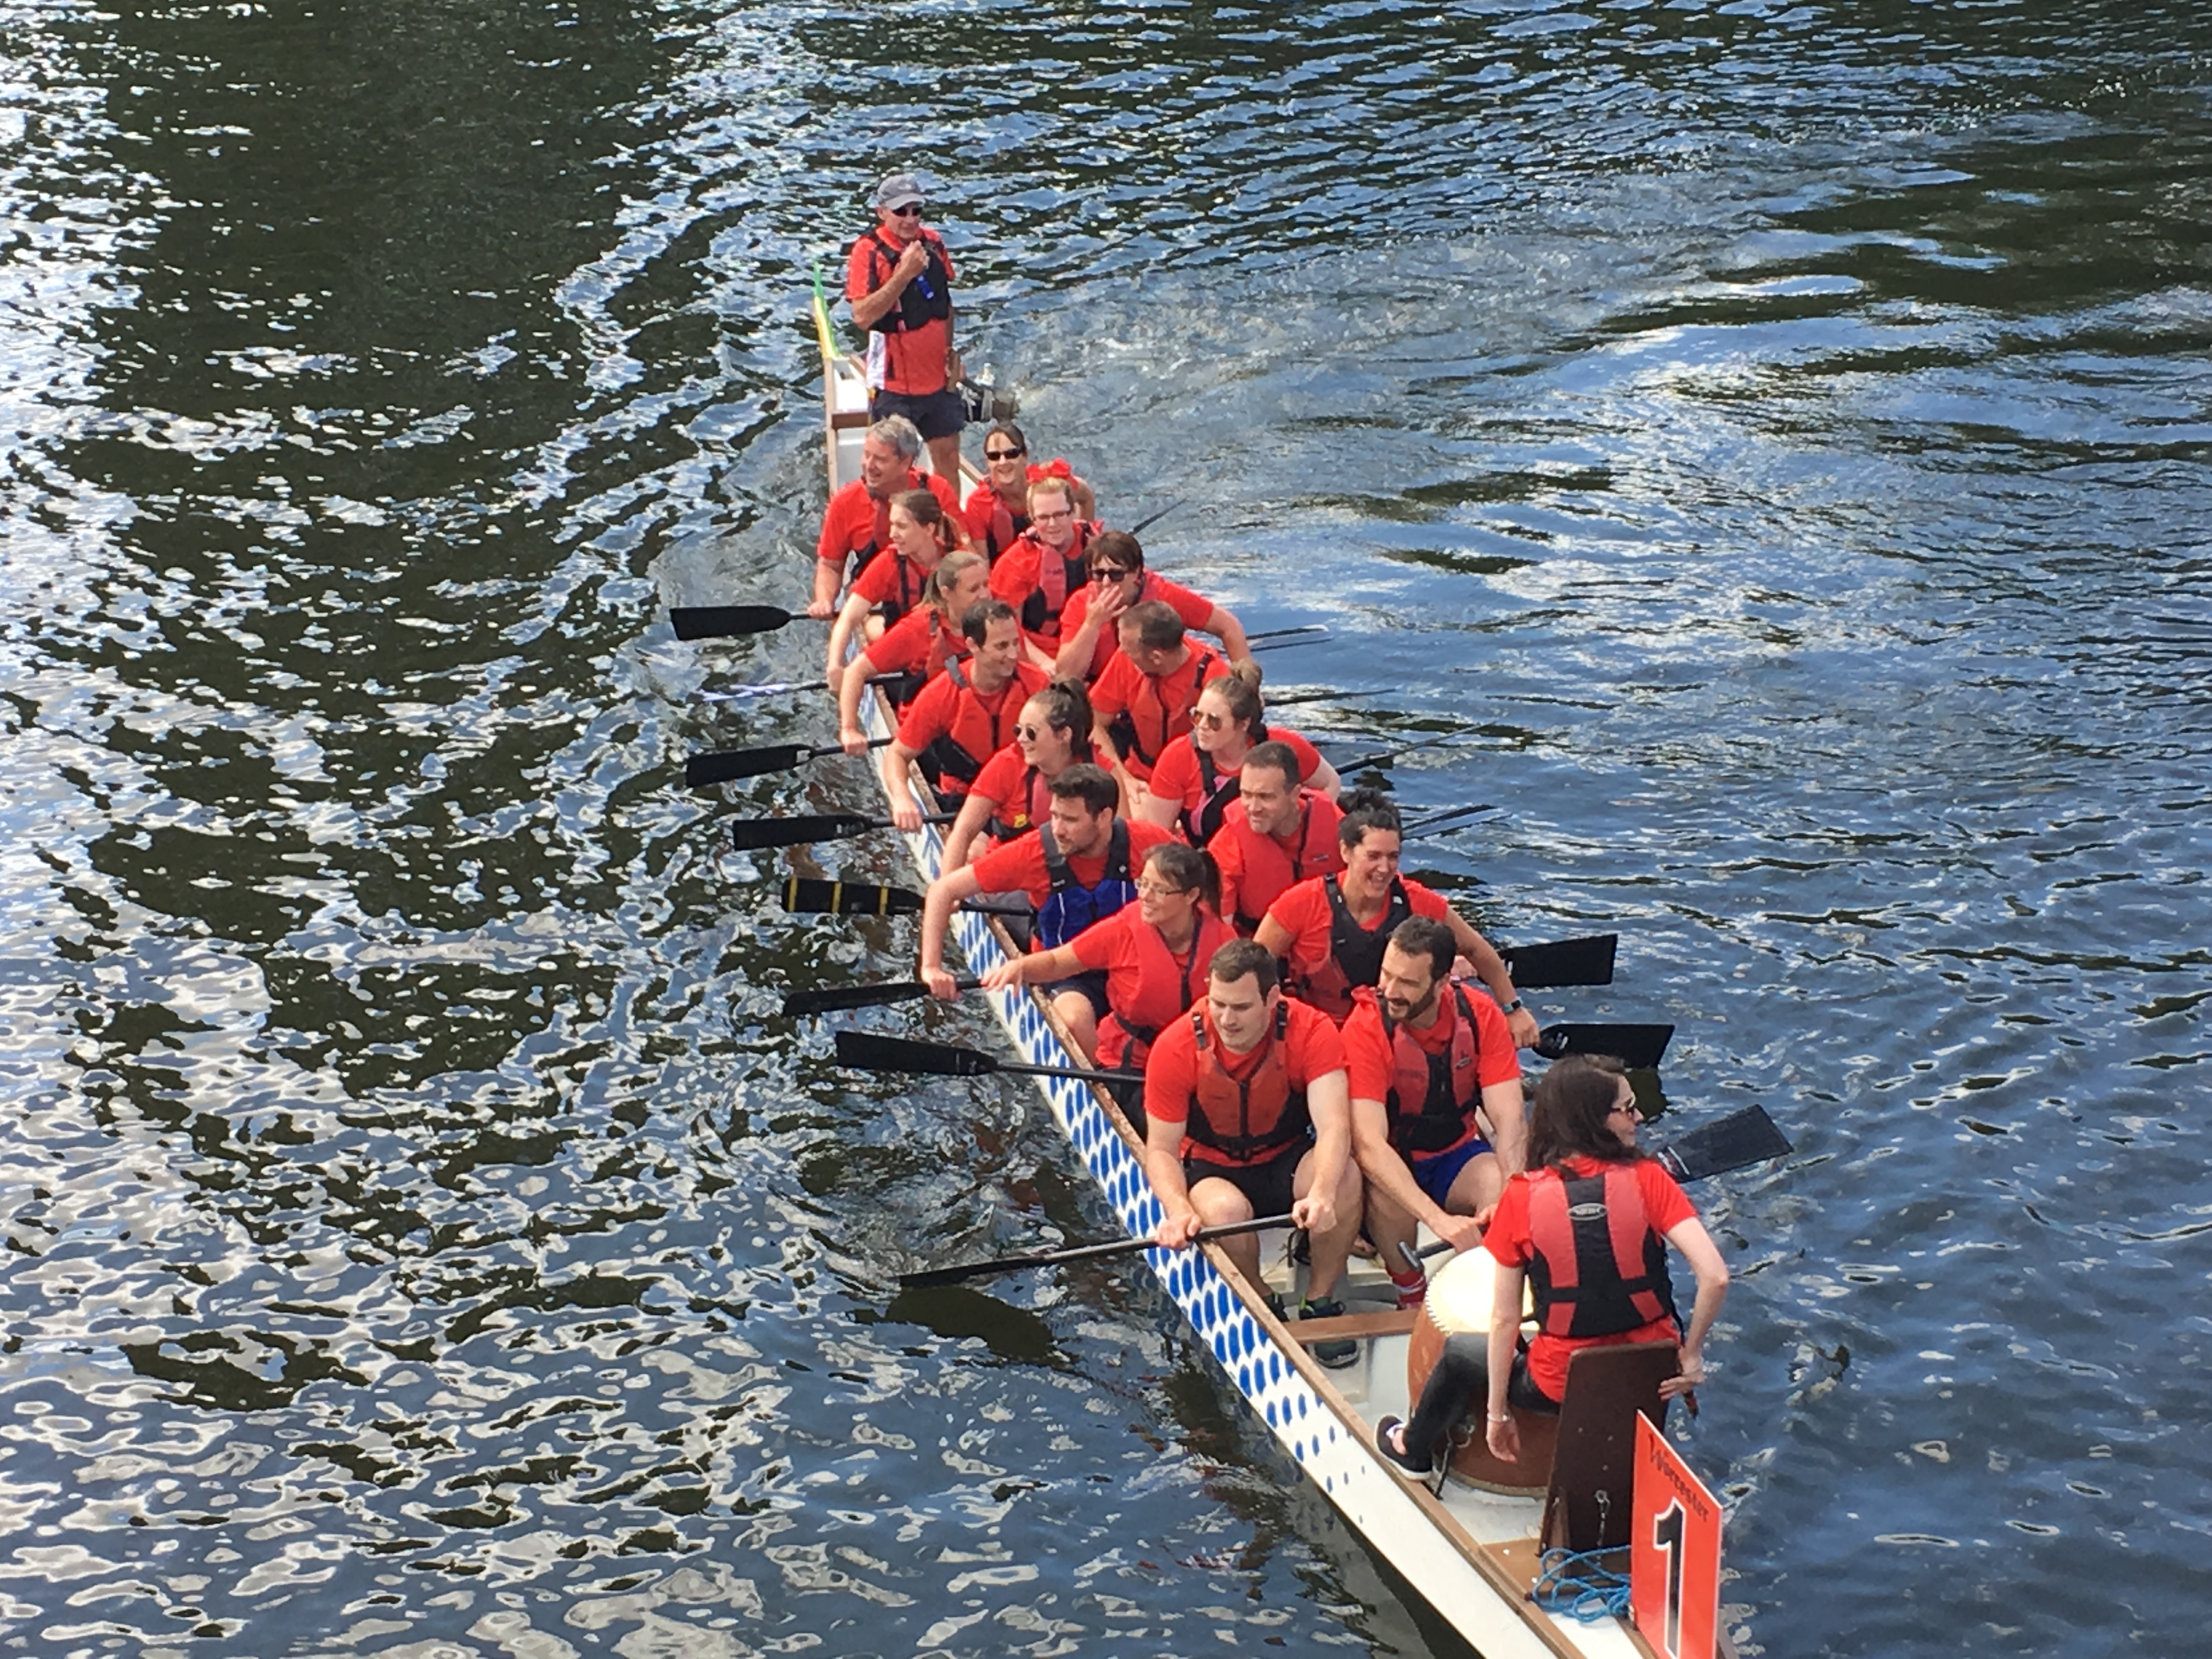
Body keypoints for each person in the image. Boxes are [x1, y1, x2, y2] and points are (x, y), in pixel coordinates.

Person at [1375, 1054, 1729, 1477]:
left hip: (1563, 1384)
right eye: (1627, 1109)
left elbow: (1505, 1320)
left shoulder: (1522, 1196)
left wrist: (1497, 1414)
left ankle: (1411, 1449)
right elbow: (1716, 1276)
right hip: (1650, 1374)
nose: (1639, 1117)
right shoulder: (1652, 1180)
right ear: (1592, 1120)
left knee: (1459, 1353)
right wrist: (1691, 1357)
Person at [1142, 940, 1365, 1367]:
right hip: (1213, 1168)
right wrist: (1176, 1209)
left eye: (1241, 1008)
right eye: (1218, 1004)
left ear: (1273, 998)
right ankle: (1261, 1299)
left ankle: (1320, 1296)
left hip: (1284, 1155)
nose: (1226, 1019)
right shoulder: (1175, 1046)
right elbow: (1161, 1150)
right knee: (1224, 1213)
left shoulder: (1313, 1030)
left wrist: (1321, 1193)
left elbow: (1335, 1126)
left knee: (1344, 1176)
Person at [1254, 792, 1539, 1046]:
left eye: (1393, 857)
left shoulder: (1416, 900)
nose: (1384, 868)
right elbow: (1254, 962)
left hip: (1392, 1037)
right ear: (1346, 852)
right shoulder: (1301, 903)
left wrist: (1513, 1008)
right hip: (1322, 1035)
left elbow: (1476, 949)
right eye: (1374, 856)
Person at [1343, 917, 1527, 1307]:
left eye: (1407, 983)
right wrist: (1437, 1220)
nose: (1391, 991)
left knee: (1499, 1183)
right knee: (1387, 1195)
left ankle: (1490, 1289)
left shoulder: (1480, 1015)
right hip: (1391, 1161)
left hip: (1453, 1155)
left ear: (1443, 983)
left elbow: (1510, 1120)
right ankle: (1411, 1291)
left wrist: (1511, 1195)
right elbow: (1369, 1145)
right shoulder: (1365, 1026)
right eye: (1386, 976)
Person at [918, 764, 1175, 1005]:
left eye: (1071, 820)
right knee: (1075, 1019)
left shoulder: (1148, 841)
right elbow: (943, 890)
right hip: (1062, 971)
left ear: (1104, 817)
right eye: (1055, 816)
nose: (1058, 830)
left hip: (1131, 962)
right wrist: (931, 967)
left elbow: (1198, 884)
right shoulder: (1034, 852)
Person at [983, 842, 1237, 1068]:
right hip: (1126, 1062)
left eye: (1159, 890)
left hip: (1193, 1060)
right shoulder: (1124, 929)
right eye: (1143, 884)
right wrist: (1020, 968)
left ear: (1191, 896)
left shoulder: (1223, 941)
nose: (1145, 896)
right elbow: (1058, 961)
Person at [883, 600, 1048, 830]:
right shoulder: (942, 693)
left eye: (1015, 643)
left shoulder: (1038, 685)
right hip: (965, 799)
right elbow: (898, 754)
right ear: (973, 646)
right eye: (1001, 647)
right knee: (975, 853)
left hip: (1022, 795)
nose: (1012, 655)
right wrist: (902, 798)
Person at [845, 172, 963, 484]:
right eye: (901, 212)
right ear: (882, 212)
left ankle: (945, 523)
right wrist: (904, 275)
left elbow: (945, 304)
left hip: (937, 379)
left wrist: (950, 353)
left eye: (916, 210)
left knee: (949, 456)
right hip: (894, 386)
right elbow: (861, 317)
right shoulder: (867, 252)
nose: (910, 220)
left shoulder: (934, 244)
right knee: (892, 468)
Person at [1138, 664, 1340, 844]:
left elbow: (1330, 783)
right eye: (1197, 715)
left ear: (1243, 724)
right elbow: (1157, 836)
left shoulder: (1284, 745)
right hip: (1210, 861)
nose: (1202, 726)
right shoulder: (1179, 756)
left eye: (1214, 721)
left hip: (1280, 853)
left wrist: (1310, 838)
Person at [939, 679, 1101, 873]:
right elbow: (964, 830)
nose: (1021, 739)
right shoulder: (1007, 763)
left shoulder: (1101, 771)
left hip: (1074, 879)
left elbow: (1119, 839)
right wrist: (947, 886)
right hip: (1010, 873)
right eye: (1018, 730)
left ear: (1064, 735)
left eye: (1031, 732)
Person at [835, 551, 989, 754]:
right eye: (974, 589)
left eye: (986, 585)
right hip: (928, 734)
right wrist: (849, 729)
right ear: (947, 593)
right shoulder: (917, 629)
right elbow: (855, 671)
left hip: (976, 721)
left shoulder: (994, 621)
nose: (985, 595)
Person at [810, 415, 962, 619]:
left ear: (905, 462)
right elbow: (830, 565)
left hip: (936, 596)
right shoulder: (844, 503)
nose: (869, 465)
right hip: (876, 604)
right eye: (866, 455)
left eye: (880, 459)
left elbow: (961, 551)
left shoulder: (938, 490)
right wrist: (824, 601)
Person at [822, 488, 970, 692]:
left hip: (955, 653)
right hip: (903, 658)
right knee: (874, 630)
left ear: (929, 529)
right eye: (892, 525)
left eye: (901, 526)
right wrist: (834, 665)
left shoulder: (961, 559)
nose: (892, 535)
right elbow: (847, 619)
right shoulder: (889, 562)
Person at [1052, 532, 1251, 683]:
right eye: (1098, 574)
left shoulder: (1162, 594)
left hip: (1154, 690)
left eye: (1116, 575)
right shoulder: (1080, 604)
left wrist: (1245, 686)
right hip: (1103, 701)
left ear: (1137, 573)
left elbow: (1228, 626)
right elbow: (1066, 675)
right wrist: (1091, 624)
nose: (1106, 583)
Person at [1090, 601, 1226, 797]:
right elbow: (1093, 720)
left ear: (1156, 658)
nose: (1122, 654)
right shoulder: (1125, 660)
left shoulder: (1213, 675)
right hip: (1140, 778)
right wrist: (1122, 778)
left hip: (1195, 783)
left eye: (1128, 651)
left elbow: (1229, 747)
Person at [1210, 741, 1346, 935]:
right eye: (1246, 795)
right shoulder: (1228, 844)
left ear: (1295, 794)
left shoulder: (1334, 824)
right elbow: (1221, 929)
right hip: (1259, 945)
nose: (1253, 808)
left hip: (1325, 937)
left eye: (1266, 797)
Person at [986, 476, 1098, 662]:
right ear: (1032, 518)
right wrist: (1043, 663)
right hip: (1042, 650)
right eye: (1044, 517)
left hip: (1094, 639)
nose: (1053, 525)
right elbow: (1010, 629)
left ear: (1073, 513)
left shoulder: (1096, 545)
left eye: (1060, 515)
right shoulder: (1014, 563)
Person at [963, 423, 1095, 563]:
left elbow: (1086, 495)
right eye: (994, 456)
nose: (1003, 462)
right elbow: (983, 561)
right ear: (987, 462)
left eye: (1011, 454)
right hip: (1011, 574)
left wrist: (1086, 545)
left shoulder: (1048, 483)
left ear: (1025, 456)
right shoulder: (979, 503)